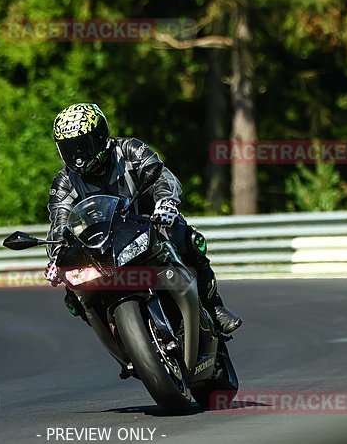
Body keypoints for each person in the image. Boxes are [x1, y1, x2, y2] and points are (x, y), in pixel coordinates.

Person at [44, 103, 242, 334]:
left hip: (148, 224)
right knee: (73, 290)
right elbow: (59, 220)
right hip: (101, 245)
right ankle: (119, 337)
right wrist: (56, 258)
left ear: (100, 136)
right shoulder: (65, 181)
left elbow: (161, 175)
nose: (77, 157)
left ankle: (214, 307)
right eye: (70, 149)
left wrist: (166, 202)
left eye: (82, 146)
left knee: (186, 237)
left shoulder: (128, 150)